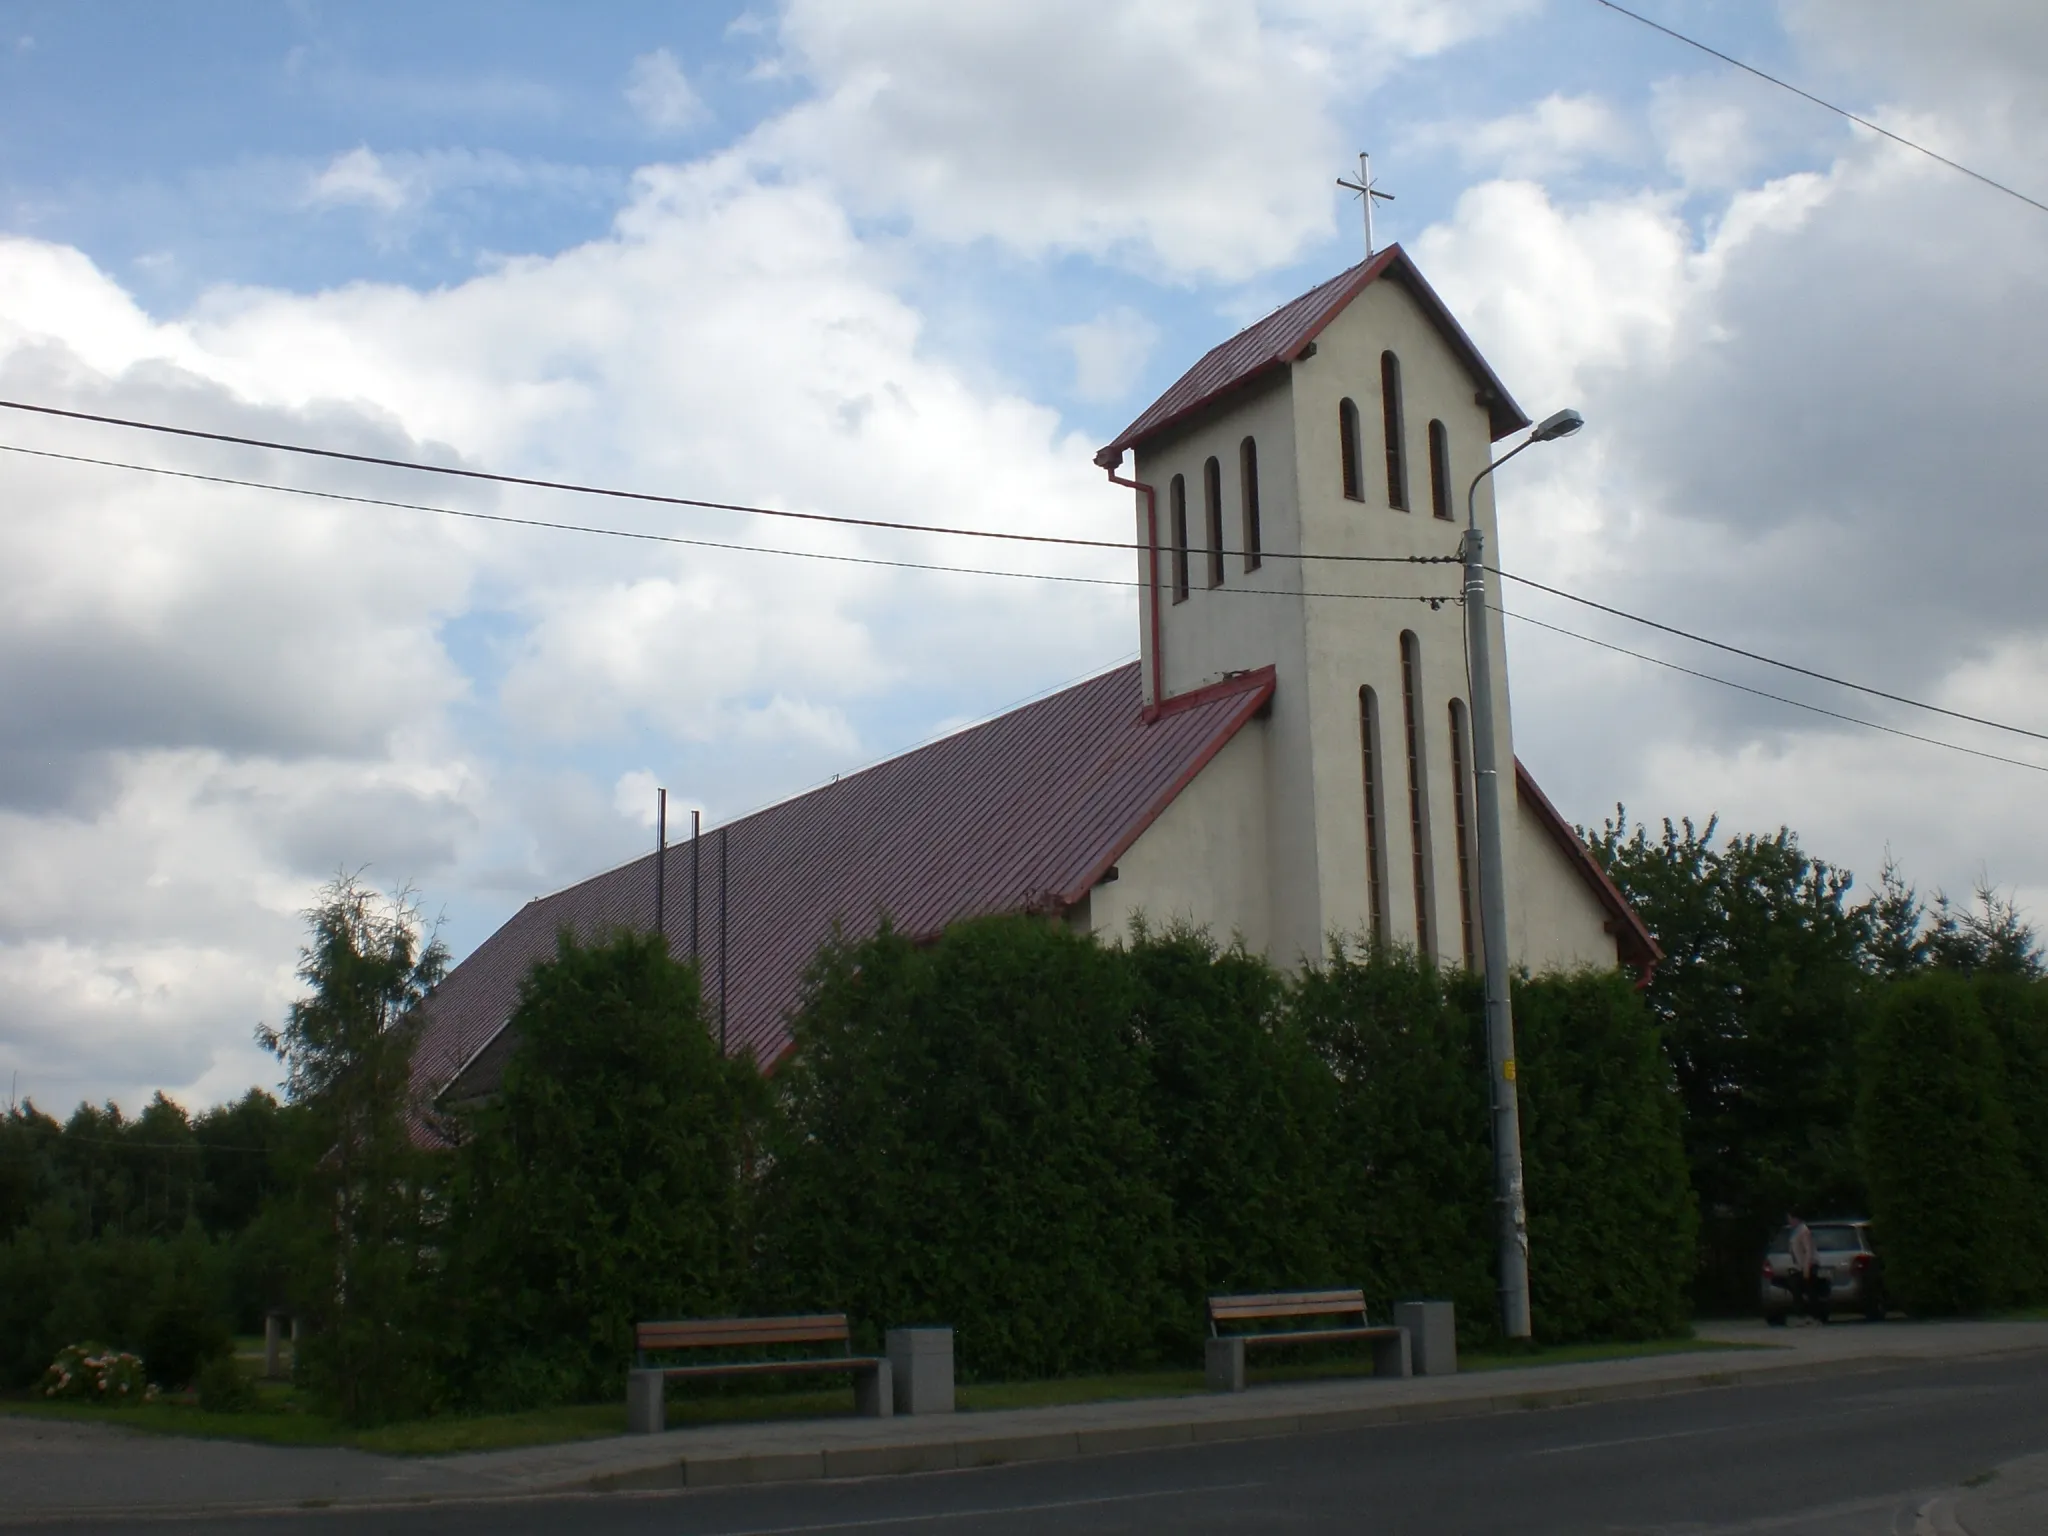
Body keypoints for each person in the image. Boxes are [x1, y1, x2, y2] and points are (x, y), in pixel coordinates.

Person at [1786, 1212, 1823, 1323]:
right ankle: (1803, 1315)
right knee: (1796, 1287)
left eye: (1790, 1218)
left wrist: (1807, 1267)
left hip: (1808, 1265)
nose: (1789, 1221)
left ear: (1795, 1218)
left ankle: (1814, 1316)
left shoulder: (1803, 1231)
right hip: (1800, 1267)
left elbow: (1808, 1250)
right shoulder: (1795, 1231)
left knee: (1809, 1290)